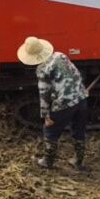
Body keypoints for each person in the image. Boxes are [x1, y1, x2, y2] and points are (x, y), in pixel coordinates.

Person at [17, 37, 88, 170]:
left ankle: (47, 162)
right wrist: (80, 91)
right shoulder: (60, 55)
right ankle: (78, 161)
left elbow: (44, 93)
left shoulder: (42, 69)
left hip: (64, 104)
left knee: (50, 131)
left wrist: (46, 116)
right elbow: (76, 73)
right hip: (81, 98)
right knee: (79, 130)